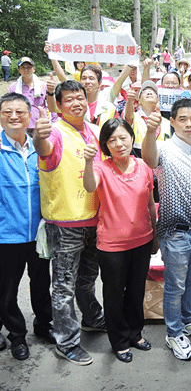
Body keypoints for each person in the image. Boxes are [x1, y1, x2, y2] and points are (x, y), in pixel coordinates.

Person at [33, 80, 105, 366]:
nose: (77, 103)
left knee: (87, 281)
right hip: (65, 224)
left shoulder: (94, 131)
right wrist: (39, 136)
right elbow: (44, 148)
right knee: (64, 285)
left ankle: (92, 319)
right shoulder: (56, 132)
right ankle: (67, 342)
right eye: (70, 99)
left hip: (94, 221)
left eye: (81, 97)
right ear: (59, 105)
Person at [142, 98, 191, 361]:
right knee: (175, 286)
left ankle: (189, 320)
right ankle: (174, 333)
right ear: (171, 122)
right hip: (175, 231)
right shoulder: (164, 148)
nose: (189, 124)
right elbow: (149, 159)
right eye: (182, 119)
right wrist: (151, 131)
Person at [82, 119, 157, 363]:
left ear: (132, 138)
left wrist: (154, 235)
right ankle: (119, 341)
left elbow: (149, 203)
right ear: (105, 145)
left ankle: (135, 333)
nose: (118, 143)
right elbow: (90, 185)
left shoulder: (144, 167)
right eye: (112, 140)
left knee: (136, 292)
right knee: (114, 295)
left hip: (142, 241)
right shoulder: (102, 168)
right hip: (112, 246)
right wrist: (87, 161)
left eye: (123, 137)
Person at [0, 93, 54, 361]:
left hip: (39, 233)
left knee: (42, 283)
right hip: (7, 234)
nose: (13, 117)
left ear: (29, 115)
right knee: (7, 289)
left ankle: (44, 325)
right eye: (7, 112)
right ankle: (17, 336)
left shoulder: (38, 147)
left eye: (20, 112)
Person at [8, 57, 54, 131]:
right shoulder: (13, 88)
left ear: (34, 69)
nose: (26, 70)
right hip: (21, 125)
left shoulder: (43, 86)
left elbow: (51, 105)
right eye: (23, 67)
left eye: (29, 67)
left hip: (40, 124)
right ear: (19, 70)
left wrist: (54, 121)